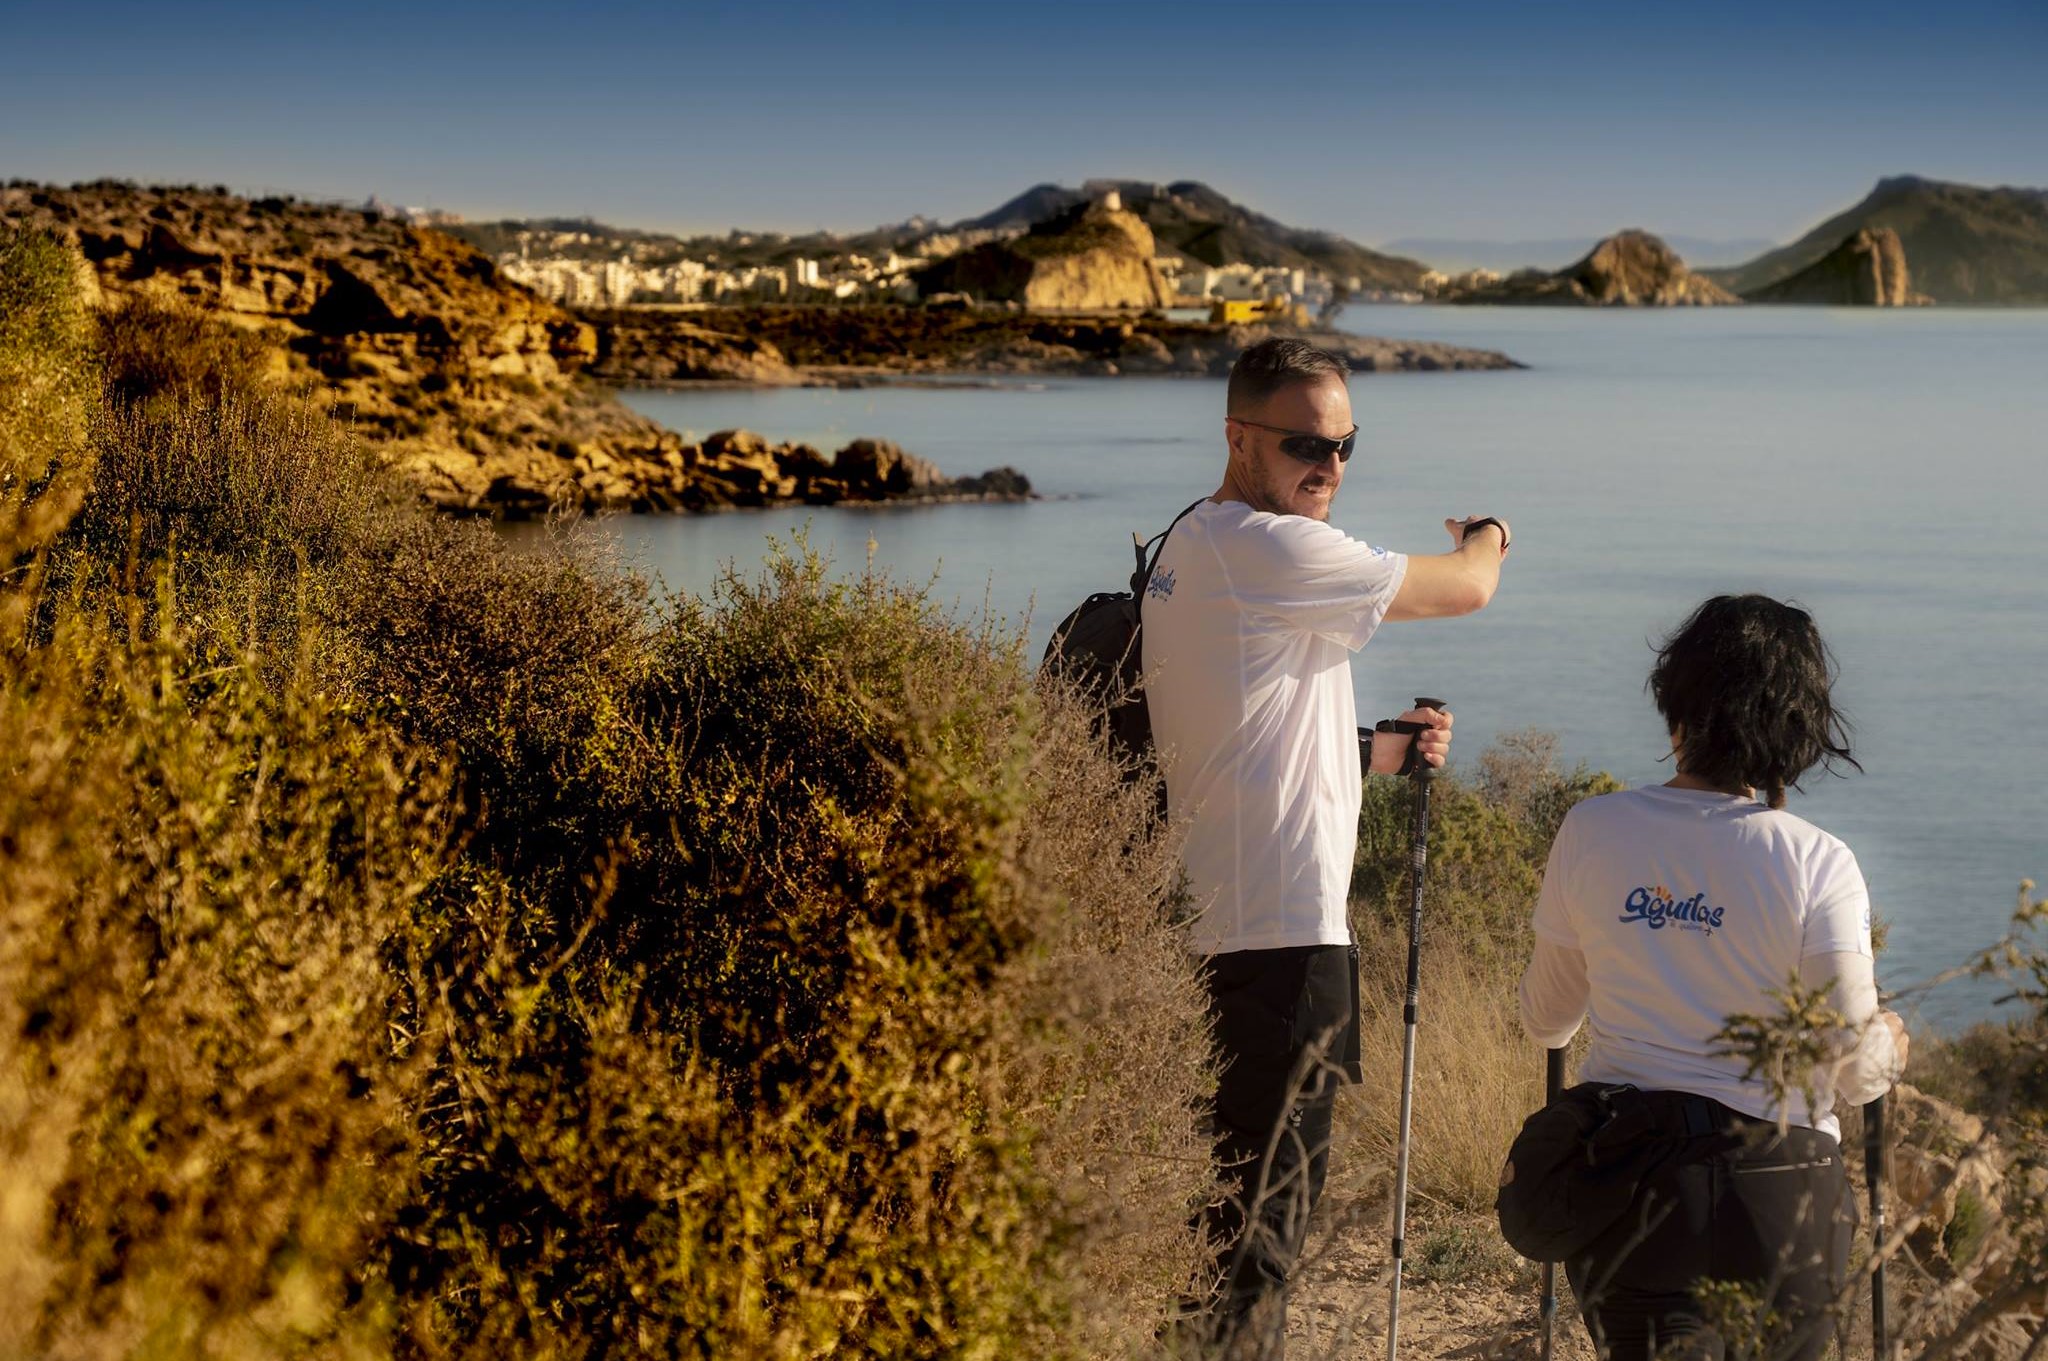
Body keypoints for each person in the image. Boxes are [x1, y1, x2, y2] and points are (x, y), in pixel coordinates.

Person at [1143, 336, 1511, 1358]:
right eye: (1306, 442)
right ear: (1237, 436)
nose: (1331, 466)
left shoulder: (1194, 541)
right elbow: (1467, 586)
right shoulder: (1270, 547)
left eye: (1347, 444)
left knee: (1226, 1229)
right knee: (1258, 1240)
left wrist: (1382, 752)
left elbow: (1249, 720)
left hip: (1224, 929)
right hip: (1280, 947)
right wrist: (1487, 532)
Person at [1518, 594, 1909, 1361]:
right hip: (1780, 1187)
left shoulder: (1592, 829)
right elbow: (1855, 1071)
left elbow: (1546, 1019)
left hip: (1632, 1184)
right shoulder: (1818, 860)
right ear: (1795, 731)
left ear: (1677, 708)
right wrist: (1891, 1044)